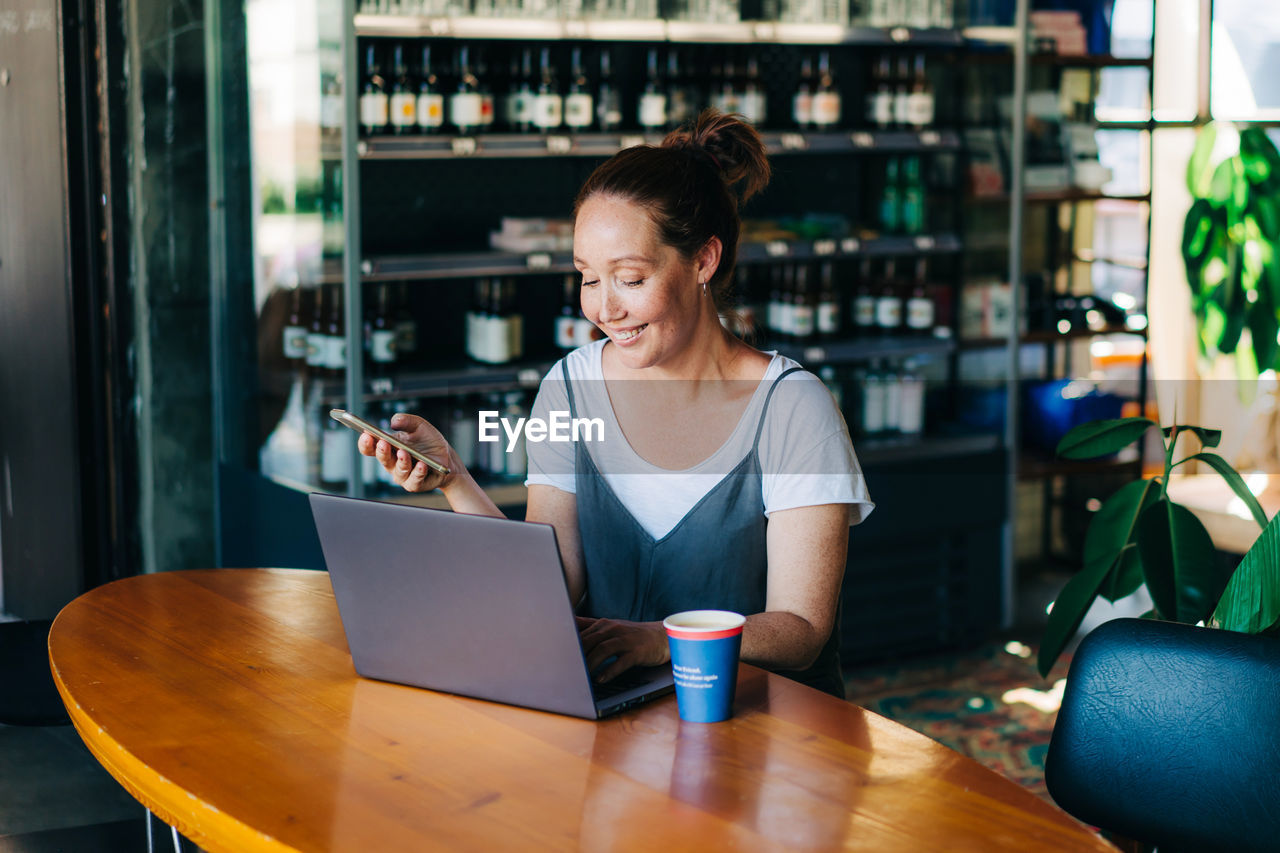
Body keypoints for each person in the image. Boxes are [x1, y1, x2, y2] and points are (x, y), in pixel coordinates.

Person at [359, 109, 873, 698]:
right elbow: (552, 588)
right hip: (621, 723)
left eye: (629, 278)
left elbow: (802, 629)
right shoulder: (570, 386)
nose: (604, 310)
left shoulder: (792, 408)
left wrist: (658, 640)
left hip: (768, 731)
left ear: (703, 260)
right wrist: (452, 478)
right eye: (586, 277)